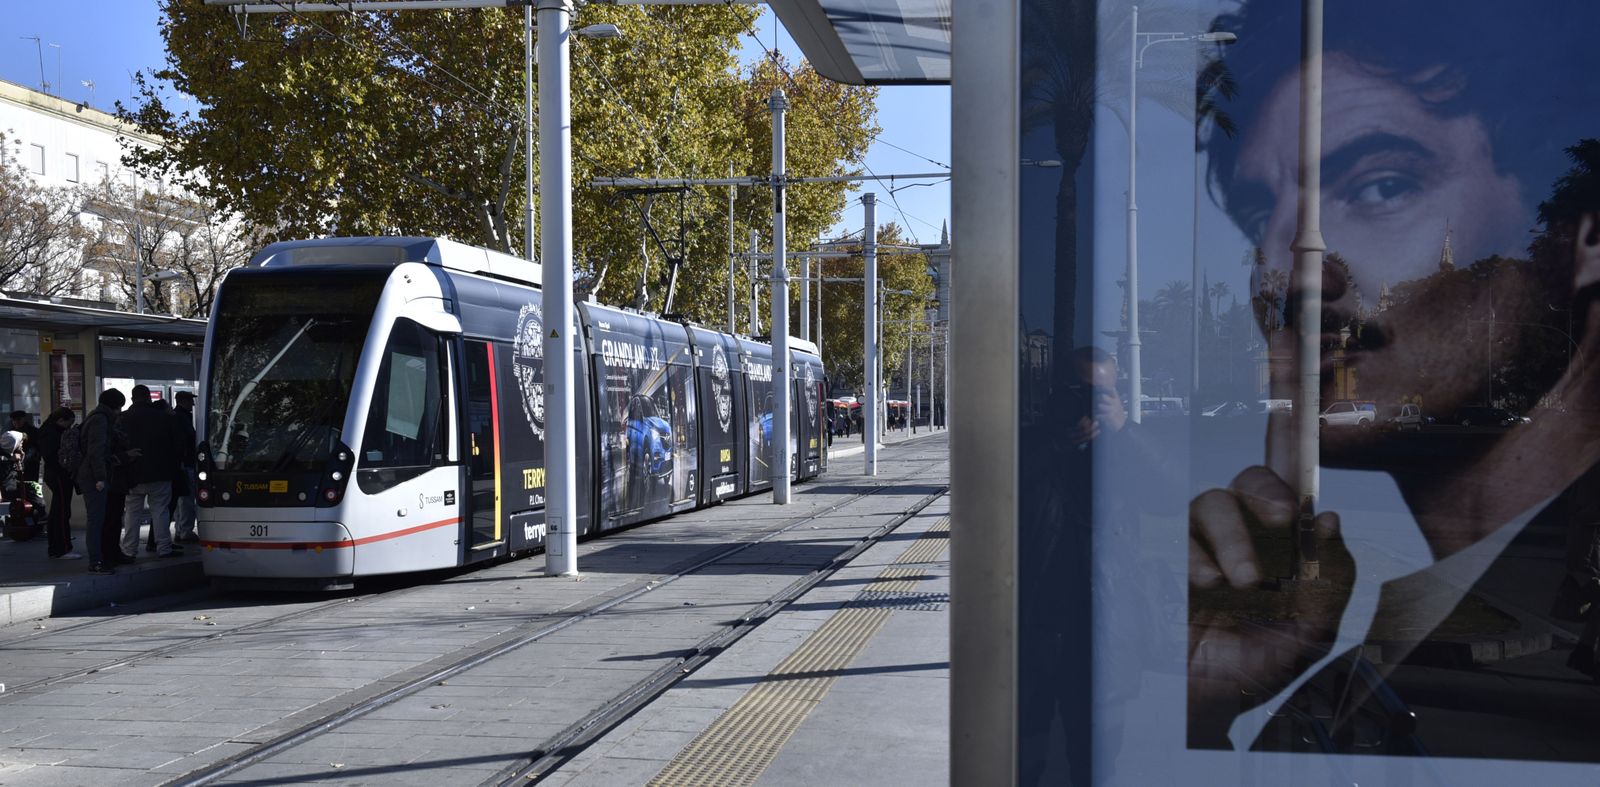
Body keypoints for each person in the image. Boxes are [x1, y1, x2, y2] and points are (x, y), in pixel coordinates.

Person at [1186, 0, 1600, 760]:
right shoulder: (1416, 633)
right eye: (1258, 220)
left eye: (1379, 186)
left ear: (1584, 231)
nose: (1288, 275)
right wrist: (1206, 703)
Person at [119, 384, 181, 559]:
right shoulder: (165, 418)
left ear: (132, 398)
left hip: (132, 474)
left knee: (132, 512)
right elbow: (176, 445)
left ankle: (129, 550)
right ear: (149, 397)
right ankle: (164, 547)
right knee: (161, 511)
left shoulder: (123, 418)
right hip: (160, 473)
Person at [77, 388, 128, 574]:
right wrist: (100, 477)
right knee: (96, 520)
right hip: (93, 477)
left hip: (91, 474)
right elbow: (96, 451)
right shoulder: (100, 419)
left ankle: (99, 558)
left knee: (98, 519)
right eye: (120, 407)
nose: (120, 411)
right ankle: (96, 561)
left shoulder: (96, 416)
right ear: (115, 405)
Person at [37, 407, 79, 559]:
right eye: (69, 423)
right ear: (60, 420)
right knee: (61, 512)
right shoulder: (52, 434)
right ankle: (62, 548)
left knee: (58, 512)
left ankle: (57, 547)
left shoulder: (48, 430)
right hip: (59, 475)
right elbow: (53, 457)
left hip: (54, 474)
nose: (69, 427)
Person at [171, 391, 199, 543]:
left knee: (180, 499)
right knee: (187, 499)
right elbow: (188, 439)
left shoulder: (176, 416)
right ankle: (186, 531)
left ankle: (180, 530)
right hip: (186, 463)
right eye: (190, 401)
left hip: (180, 463)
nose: (193, 404)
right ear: (183, 401)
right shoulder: (182, 418)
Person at [9, 410, 40, 485]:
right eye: (14, 420)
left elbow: (35, 447)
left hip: (31, 464)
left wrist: (26, 459)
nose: (16, 422)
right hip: (15, 464)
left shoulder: (33, 431)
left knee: (30, 486)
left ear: (23, 419)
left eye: (18, 419)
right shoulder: (11, 432)